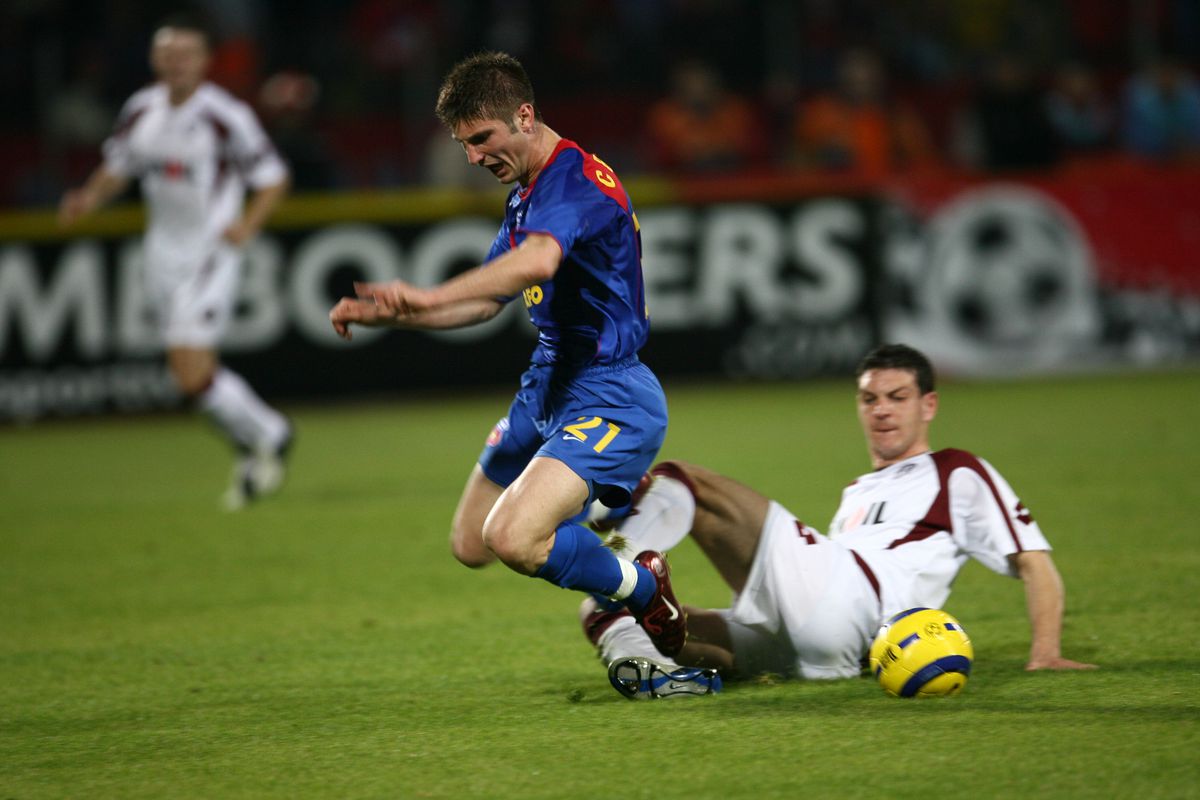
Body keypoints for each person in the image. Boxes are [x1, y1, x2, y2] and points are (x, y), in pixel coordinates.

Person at [328, 51, 684, 656]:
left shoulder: (573, 180)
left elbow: (539, 262)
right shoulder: (528, 192)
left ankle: (641, 585)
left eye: (481, 139)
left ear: (523, 116)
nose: (472, 157)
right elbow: (488, 301)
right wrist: (401, 314)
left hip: (611, 394)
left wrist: (428, 294)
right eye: (463, 144)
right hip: (546, 386)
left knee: (514, 538)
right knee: (471, 542)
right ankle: (604, 507)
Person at [583, 343, 1097, 699]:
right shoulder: (857, 490)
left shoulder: (954, 469)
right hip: (817, 643)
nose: (882, 411)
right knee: (608, 611)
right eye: (870, 398)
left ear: (929, 405)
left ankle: (616, 548)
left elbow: (1034, 561)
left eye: (898, 398)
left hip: (864, 607)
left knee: (681, 481)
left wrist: (1046, 652)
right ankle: (663, 674)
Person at [58, 15, 293, 510]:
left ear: (205, 61)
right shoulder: (141, 109)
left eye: (186, 54)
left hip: (209, 254)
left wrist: (246, 226)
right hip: (161, 256)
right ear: (154, 59)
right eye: (167, 54)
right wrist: (88, 198)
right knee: (190, 378)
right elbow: (118, 167)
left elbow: (273, 177)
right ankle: (260, 439)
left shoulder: (224, 115)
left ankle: (269, 434)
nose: (176, 62)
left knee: (190, 373)